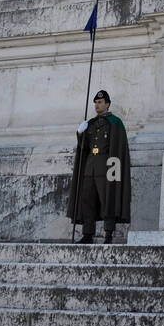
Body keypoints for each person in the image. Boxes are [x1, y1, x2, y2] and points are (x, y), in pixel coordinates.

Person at [67, 90, 131, 244]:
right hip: (90, 167)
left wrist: (114, 172)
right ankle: (88, 233)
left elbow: (118, 148)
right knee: (87, 200)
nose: (97, 105)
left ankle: (108, 233)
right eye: (95, 102)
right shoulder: (90, 123)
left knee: (107, 200)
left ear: (107, 104)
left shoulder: (115, 123)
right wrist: (80, 134)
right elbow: (85, 148)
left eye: (100, 102)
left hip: (107, 167)